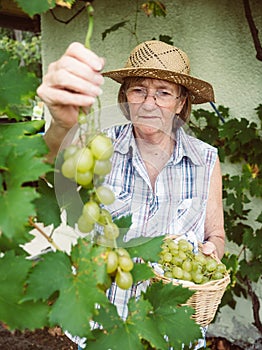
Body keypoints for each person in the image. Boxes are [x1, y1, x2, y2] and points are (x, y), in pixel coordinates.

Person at [37, 40, 225, 349]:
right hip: (105, 320)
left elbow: (216, 233)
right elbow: (50, 163)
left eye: (163, 92)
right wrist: (60, 124)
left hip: (171, 322)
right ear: (125, 98)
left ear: (180, 103)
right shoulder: (100, 145)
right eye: (138, 90)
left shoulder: (206, 159)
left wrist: (210, 252)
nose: (149, 103)